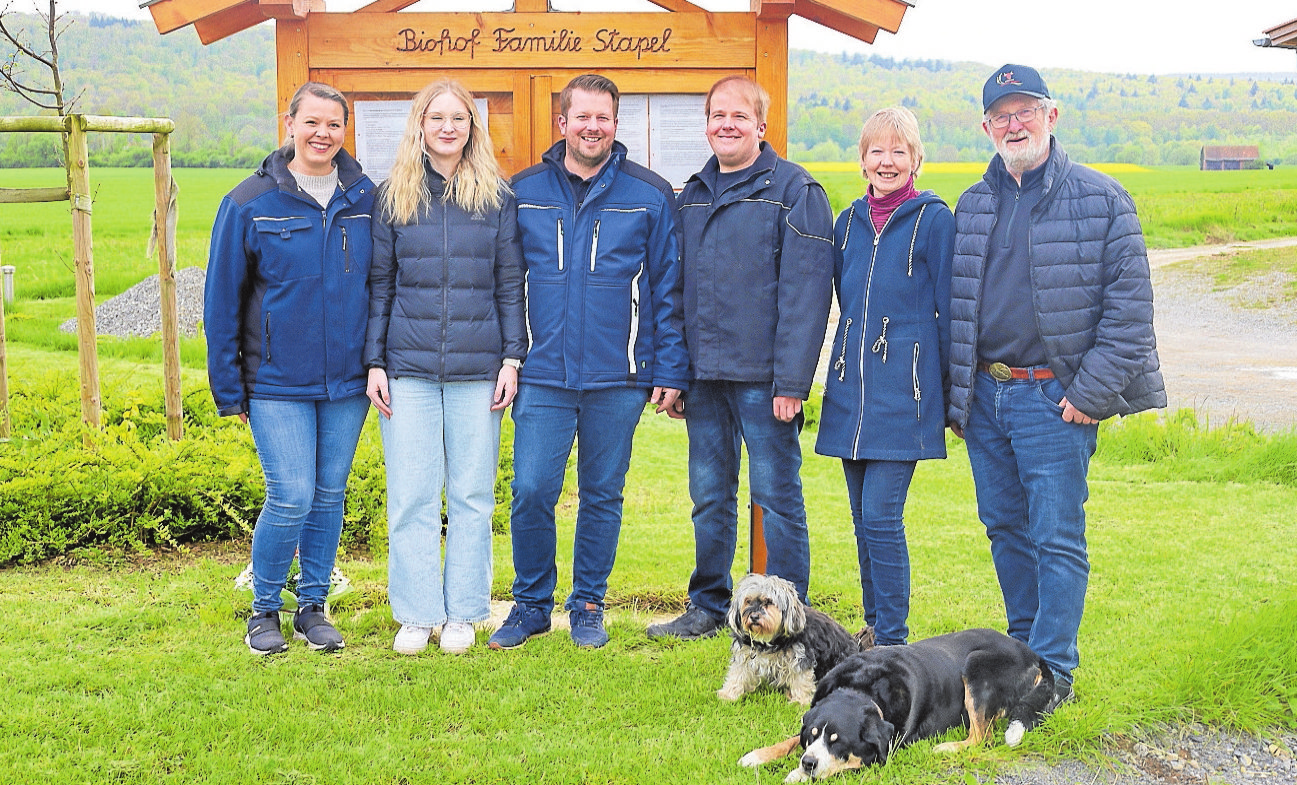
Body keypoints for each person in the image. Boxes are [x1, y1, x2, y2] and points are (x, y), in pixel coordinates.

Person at [948, 64, 1165, 706]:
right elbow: (956, 310)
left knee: (1056, 535)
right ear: (987, 127)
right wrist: (959, 398)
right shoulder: (973, 203)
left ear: (1052, 116)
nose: (1014, 124)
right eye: (1001, 115)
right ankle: (1021, 658)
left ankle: (1056, 674)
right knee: (1005, 528)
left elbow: (1130, 315)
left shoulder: (1103, 200)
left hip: (1055, 401)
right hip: (988, 399)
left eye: (1026, 111)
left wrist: (1086, 396)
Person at [488, 73, 689, 650]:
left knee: (602, 493)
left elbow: (666, 290)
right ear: (563, 123)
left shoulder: (649, 195)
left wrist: (669, 369)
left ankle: (588, 605)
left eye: (603, 117)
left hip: (618, 377)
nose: (592, 127)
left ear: (615, 124)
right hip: (543, 375)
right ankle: (529, 606)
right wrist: (508, 356)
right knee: (531, 490)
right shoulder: (522, 192)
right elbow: (504, 283)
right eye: (582, 117)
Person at [647, 75, 833, 641]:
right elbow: (674, 290)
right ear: (706, 124)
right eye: (716, 115)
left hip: (764, 382)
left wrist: (792, 382)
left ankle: (789, 615)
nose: (726, 124)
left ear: (761, 125)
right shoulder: (693, 194)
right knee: (709, 498)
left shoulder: (796, 191)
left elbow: (807, 295)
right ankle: (709, 604)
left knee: (775, 498)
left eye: (739, 115)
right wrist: (675, 373)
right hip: (704, 380)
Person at [205, 82, 376, 655]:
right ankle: (264, 612)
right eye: (312, 123)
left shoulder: (365, 198)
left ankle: (313, 607)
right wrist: (229, 387)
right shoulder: (249, 202)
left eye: (334, 125)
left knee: (329, 495)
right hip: (277, 382)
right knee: (291, 495)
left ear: (344, 131)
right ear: (290, 122)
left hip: (347, 382)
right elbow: (221, 301)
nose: (322, 134)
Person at [364, 79, 526, 656]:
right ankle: (415, 612)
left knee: (472, 496)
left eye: (459, 118)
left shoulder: (496, 199)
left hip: (478, 370)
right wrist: (375, 361)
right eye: (438, 118)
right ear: (421, 126)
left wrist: (512, 356)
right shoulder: (393, 197)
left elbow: (510, 284)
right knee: (411, 494)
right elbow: (379, 285)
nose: (449, 127)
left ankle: (463, 612)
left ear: (472, 128)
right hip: (405, 368)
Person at [813, 107, 954, 647]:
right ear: (862, 160)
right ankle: (872, 628)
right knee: (860, 520)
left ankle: (894, 639)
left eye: (899, 151)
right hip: (851, 394)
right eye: (877, 151)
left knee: (880, 517)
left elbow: (950, 310)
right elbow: (841, 302)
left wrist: (945, 396)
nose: (887, 161)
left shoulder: (933, 220)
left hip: (906, 397)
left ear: (916, 159)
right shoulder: (846, 223)